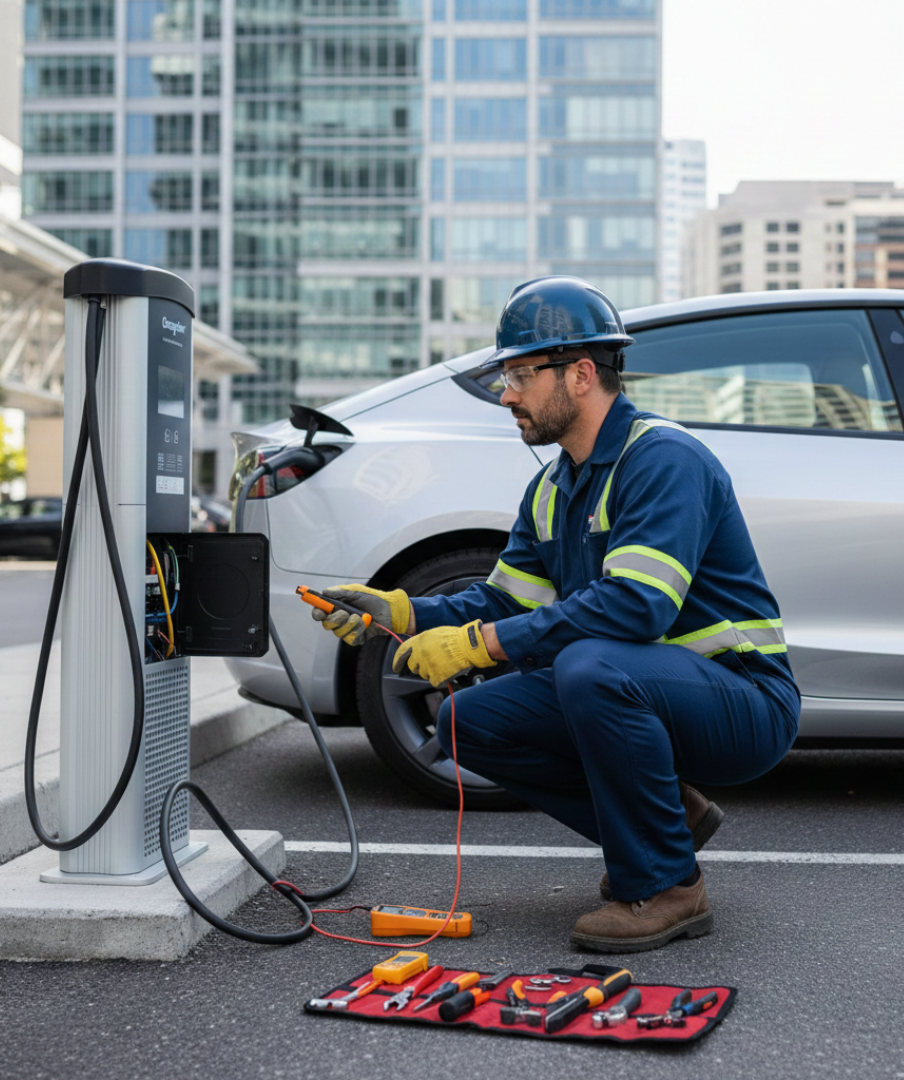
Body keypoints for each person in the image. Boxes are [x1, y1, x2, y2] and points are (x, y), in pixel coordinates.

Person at [313, 277, 800, 954]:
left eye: (519, 374)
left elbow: (638, 605)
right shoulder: (551, 486)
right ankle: (668, 825)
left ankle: (667, 887)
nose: (505, 394)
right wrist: (402, 611)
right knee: (464, 721)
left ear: (580, 374)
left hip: (743, 701)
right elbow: (504, 600)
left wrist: (480, 645)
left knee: (589, 665)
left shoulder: (662, 459)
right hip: (652, 691)